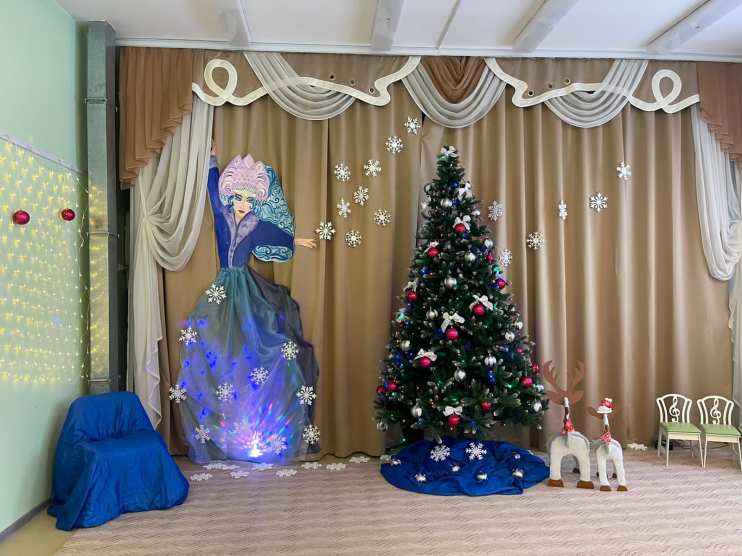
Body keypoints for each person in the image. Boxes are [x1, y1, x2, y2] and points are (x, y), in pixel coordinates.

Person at [178, 149, 319, 464]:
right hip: (224, 285)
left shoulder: (255, 225)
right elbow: (213, 194)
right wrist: (211, 163)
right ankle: (221, 430)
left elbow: (279, 236)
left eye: (249, 199)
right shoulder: (222, 217)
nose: (242, 204)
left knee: (261, 340)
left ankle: (264, 425)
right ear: (231, 197)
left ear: (256, 202)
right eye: (238, 198)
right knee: (211, 337)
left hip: (246, 287)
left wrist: (297, 241)